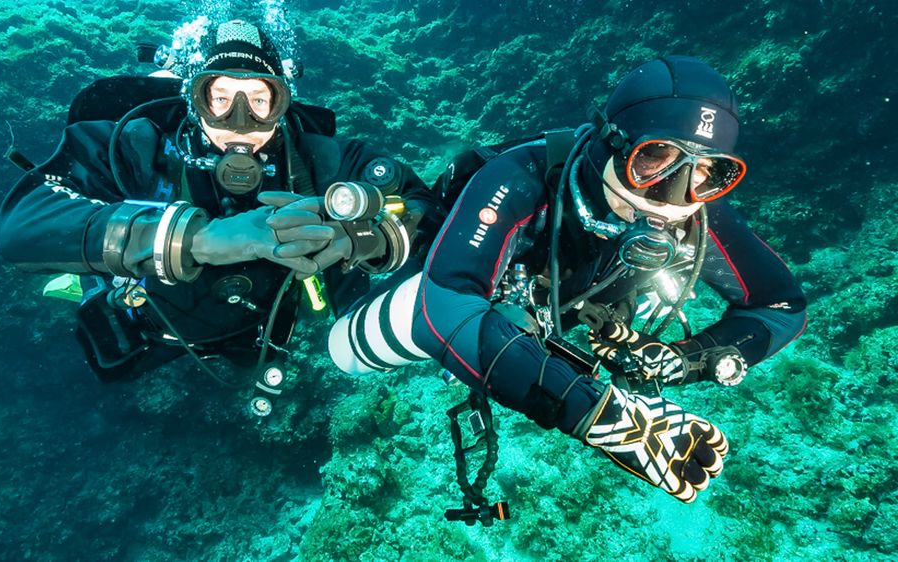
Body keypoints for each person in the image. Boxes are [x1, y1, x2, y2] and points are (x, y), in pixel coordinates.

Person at [328, 56, 806, 504]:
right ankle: (337, 244)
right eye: (655, 158)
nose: (674, 197)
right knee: (344, 350)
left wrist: (683, 359)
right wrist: (594, 411)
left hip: (558, 305)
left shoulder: (698, 213)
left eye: (708, 172)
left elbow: (781, 306)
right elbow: (444, 305)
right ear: (610, 143)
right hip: (468, 277)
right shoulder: (520, 177)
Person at [0, 19, 441, 411]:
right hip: (156, 325)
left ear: (283, 103)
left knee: (249, 359)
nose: (240, 121)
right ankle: (82, 282)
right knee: (112, 362)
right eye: (221, 98)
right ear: (194, 100)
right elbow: (22, 224)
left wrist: (365, 237)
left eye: (260, 100)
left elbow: (428, 210)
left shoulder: (318, 161)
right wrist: (195, 239)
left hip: (256, 334)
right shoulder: (137, 147)